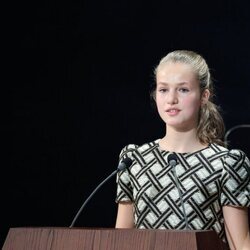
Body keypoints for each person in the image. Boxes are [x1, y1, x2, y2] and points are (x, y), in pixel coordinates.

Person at [115, 50, 250, 250]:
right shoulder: (134, 159)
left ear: (204, 96)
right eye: (163, 90)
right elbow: (120, 241)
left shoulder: (226, 164)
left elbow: (240, 245)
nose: (171, 99)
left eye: (183, 90)